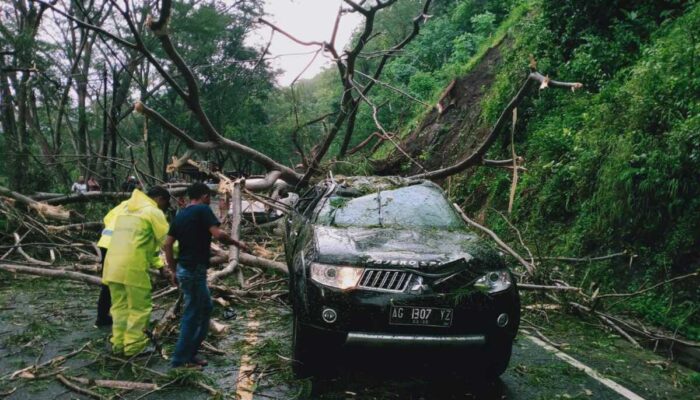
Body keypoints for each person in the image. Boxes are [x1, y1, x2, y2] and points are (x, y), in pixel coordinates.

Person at [164, 182, 249, 368]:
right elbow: (218, 234)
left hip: (186, 270)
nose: (210, 200)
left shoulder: (181, 215)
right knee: (193, 313)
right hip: (194, 270)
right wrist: (237, 244)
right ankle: (179, 360)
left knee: (205, 308)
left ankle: (191, 353)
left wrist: (172, 270)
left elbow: (167, 244)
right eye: (209, 197)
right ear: (204, 196)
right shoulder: (202, 209)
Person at [102, 186, 170, 356]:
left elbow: (145, 243)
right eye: (165, 204)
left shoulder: (125, 208)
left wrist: (159, 264)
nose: (164, 208)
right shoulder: (153, 212)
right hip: (133, 266)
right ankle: (134, 347)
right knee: (139, 308)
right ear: (160, 199)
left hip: (112, 265)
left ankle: (118, 345)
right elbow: (168, 240)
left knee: (119, 307)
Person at [94, 198, 131, 327]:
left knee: (108, 283)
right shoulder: (147, 208)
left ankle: (103, 317)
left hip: (105, 243)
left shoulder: (125, 203)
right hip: (118, 244)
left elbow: (107, 218)